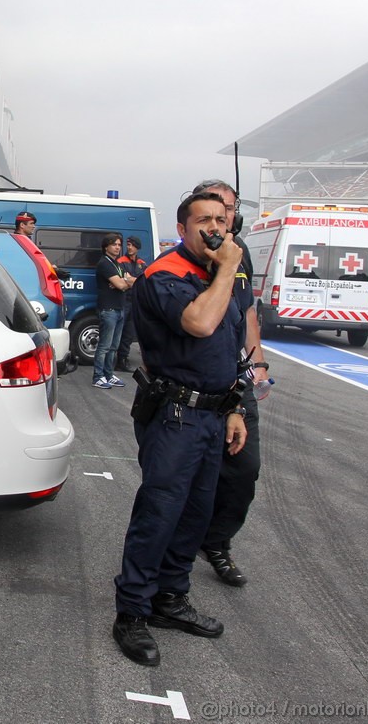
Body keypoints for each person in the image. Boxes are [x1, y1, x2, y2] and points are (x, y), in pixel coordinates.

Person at [112, 191, 248, 667]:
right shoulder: (167, 274)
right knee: (160, 514)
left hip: (212, 415)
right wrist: (228, 268)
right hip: (175, 415)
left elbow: (228, 348)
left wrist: (234, 408)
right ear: (184, 228)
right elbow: (200, 324)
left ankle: (169, 599)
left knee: (195, 514)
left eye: (221, 219)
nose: (215, 228)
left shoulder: (216, 275)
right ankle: (132, 611)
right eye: (204, 220)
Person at [191, 180, 267, 588]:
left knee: (244, 470)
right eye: (215, 209)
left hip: (237, 379)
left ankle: (217, 542)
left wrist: (259, 364)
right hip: (196, 380)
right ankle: (173, 556)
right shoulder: (187, 258)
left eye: (230, 210)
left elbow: (248, 310)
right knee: (188, 475)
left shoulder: (241, 253)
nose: (224, 217)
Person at [92, 232, 133, 389]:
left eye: (118, 244)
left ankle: (108, 374)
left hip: (120, 309)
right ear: (106, 247)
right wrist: (123, 282)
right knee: (104, 345)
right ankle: (98, 376)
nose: (117, 247)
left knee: (114, 346)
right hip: (108, 309)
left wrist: (123, 281)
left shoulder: (118, 264)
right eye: (114, 244)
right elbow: (123, 285)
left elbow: (131, 280)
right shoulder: (105, 264)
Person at [115, 236, 147, 371]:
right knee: (118, 332)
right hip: (123, 300)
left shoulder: (142, 263)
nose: (129, 247)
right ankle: (115, 360)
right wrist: (136, 281)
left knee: (129, 334)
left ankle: (123, 360)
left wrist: (133, 281)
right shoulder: (121, 261)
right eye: (128, 245)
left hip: (135, 302)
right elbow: (125, 280)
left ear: (137, 247)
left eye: (132, 245)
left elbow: (145, 281)